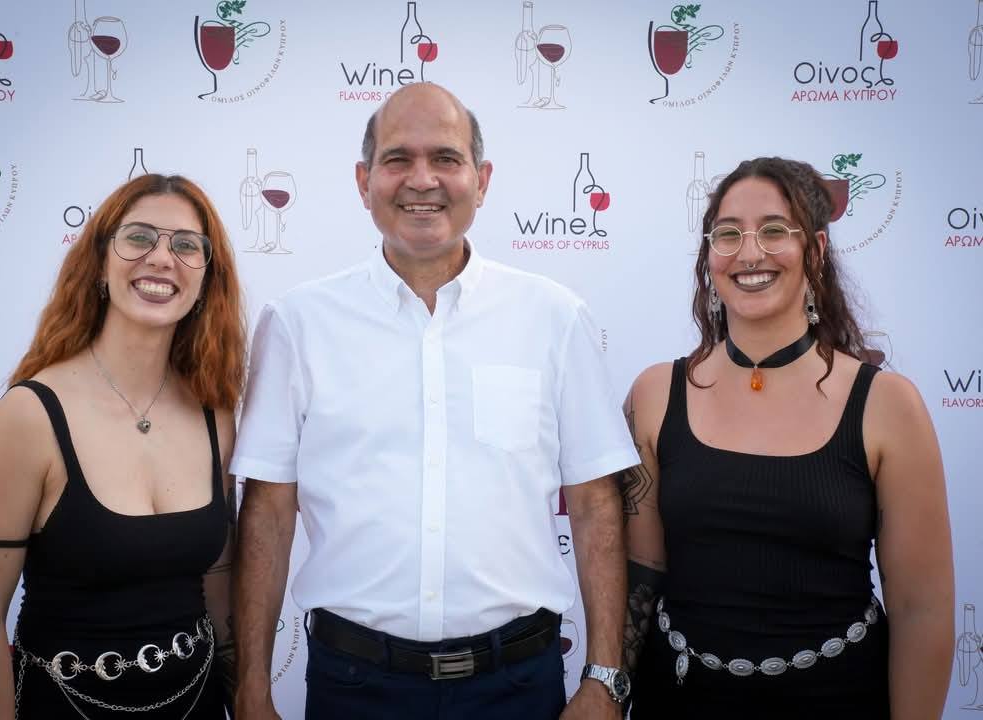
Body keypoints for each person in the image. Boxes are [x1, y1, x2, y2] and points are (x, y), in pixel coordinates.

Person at [232, 82, 639, 720]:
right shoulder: (297, 324)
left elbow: (594, 505)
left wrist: (605, 676)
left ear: (482, 179)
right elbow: (268, 513)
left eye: (446, 158)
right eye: (398, 159)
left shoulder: (555, 318)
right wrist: (252, 684)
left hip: (518, 687)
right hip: (353, 688)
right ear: (364, 180)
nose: (422, 180)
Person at [620, 157, 954, 718]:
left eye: (774, 230)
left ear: (815, 251)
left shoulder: (888, 405)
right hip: (676, 698)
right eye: (728, 234)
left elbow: (922, 609)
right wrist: (608, 692)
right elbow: (638, 580)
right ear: (709, 256)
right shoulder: (654, 395)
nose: (750, 253)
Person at [0, 174, 246, 718]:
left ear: (207, 279)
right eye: (139, 237)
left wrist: (247, 697)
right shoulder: (29, 416)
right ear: (99, 265)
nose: (162, 258)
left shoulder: (218, 415)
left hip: (197, 704)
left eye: (187, 245)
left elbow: (219, 581)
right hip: (63, 705)